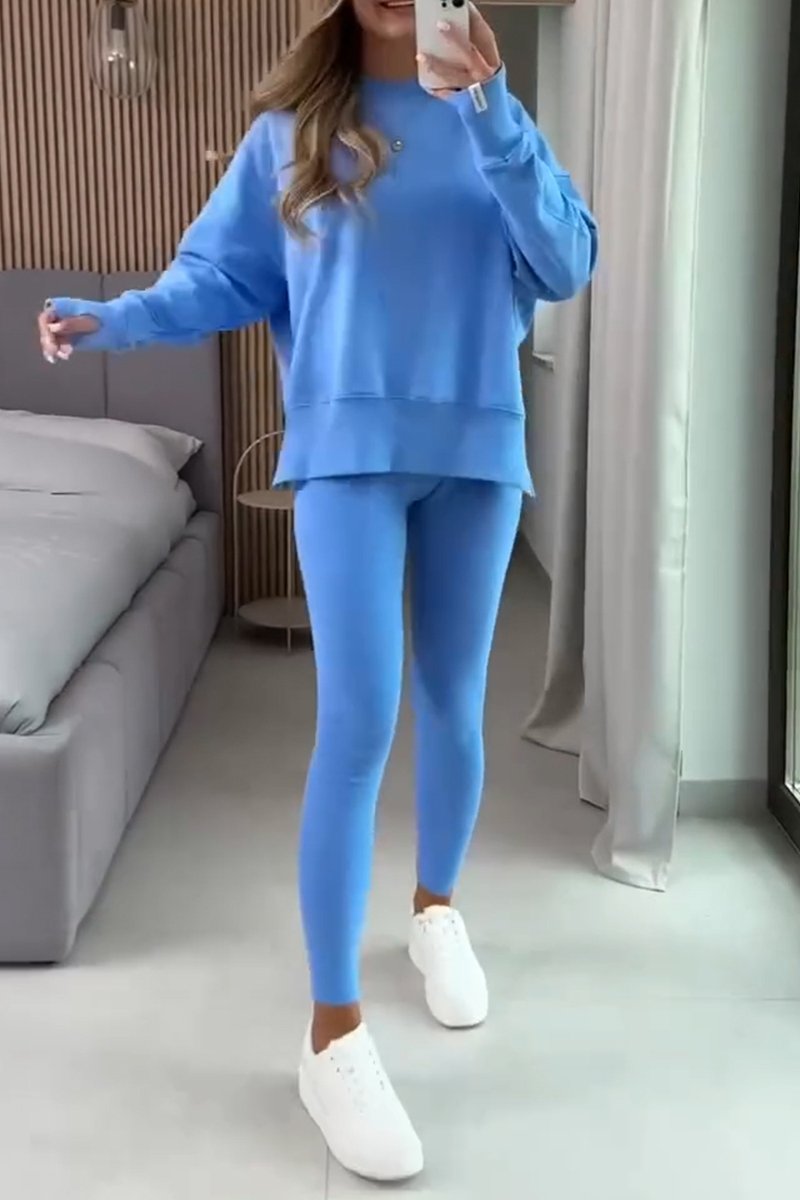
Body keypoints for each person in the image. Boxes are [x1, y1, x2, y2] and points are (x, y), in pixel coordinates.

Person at [38, 0, 596, 1182]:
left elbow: (565, 261)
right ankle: (331, 1033)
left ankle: (435, 909)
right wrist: (115, 319)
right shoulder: (290, 131)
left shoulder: (491, 115)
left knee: (452, 702)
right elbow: (217, 276)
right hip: (344, 456)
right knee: (357, 723)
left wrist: (490, 110)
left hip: (477, 449)